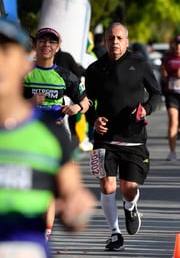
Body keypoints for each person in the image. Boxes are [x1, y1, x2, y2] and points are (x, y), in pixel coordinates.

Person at [0, 18, 96, 258]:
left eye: (7, 52)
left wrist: (76, 209)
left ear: (23, 64)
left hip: (22, 247)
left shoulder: (51, 137)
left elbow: (72, 198)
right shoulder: (28, 79)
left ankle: (47, 232)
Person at [85, 22, 161, 251]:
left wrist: (146, 109)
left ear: (126, 41)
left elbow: (156, 93)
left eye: (119, 38)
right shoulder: (95, 70)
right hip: (103, 138)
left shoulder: (139, 64)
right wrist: (94, 119)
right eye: (111, 38)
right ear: (105, 41)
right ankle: (114, 233)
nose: (115, 42)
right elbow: (88, 103)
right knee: (107, 186)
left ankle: (130, 205)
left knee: (128, 188)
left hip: (133, 138)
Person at [23, 27, 90, 241]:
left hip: (55, 137)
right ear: (36, 45)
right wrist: (29, 103)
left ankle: (46, 234)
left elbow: (86, 102)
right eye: (42, 41)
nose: (46, 45)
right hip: (27, 136)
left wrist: (76, 109)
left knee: (51, 186)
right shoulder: (23, 72)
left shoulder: (64, 75)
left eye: (51, 42)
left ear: (57, 46)